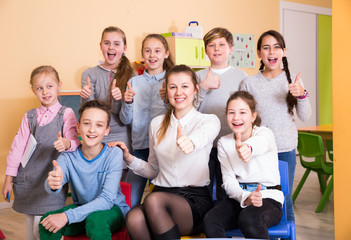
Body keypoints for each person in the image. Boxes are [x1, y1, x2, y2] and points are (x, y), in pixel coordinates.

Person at [111, 65, 220, 239]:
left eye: (185, 86)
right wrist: (129, 159)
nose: (178, 92)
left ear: (195, 89)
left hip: (192, 200)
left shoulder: (207, 121)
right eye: (172, 87)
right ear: (166, 90)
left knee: (153, 200)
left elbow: (203, 136)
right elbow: (153, 170)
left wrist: (190, 142)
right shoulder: (156, 123)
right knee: (134, 217)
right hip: (160, 195)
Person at [1, 65, 81, 240]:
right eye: (39, 88)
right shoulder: (29, 116)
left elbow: (75, 141)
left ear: (59, 85)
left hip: (51, 180)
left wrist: (66, 143)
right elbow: (17, 148)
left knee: (44, 228)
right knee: (31, 228)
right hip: (28, 179)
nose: (45, 92)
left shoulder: (66, 114)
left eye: (49, 86)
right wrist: (9, 178)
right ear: (33, 90)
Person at [240, 30, 311, 222]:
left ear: (284, 51)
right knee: (260, 200)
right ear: (259, 54)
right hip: (257, 151)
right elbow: (242, 119)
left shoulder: (293, 80)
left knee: (285, 200)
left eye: (276, 47)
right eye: (266, 47)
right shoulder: (249, 83)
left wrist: (302, 95)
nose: (272, 52)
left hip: (285, 149)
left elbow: (305, 116)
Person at [39, 100, 130, 240]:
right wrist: (52, 184)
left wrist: (67, 216)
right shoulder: (67, 156)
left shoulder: (114, 154)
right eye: (87, 123)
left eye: (99, 125)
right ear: (78, 127)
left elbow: (106, 200)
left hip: (112, 210)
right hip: (83, 208)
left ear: (106, 130)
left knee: (96, 220)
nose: (92, 130)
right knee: (47, 222)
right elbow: (54, 182)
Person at [203, 91, 284, 239]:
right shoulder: (224, 142)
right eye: (231, 112)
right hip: (240, 197)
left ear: (253, 116)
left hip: (268, 198)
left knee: (249, 218)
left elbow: (261, 143)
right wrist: (245, 197)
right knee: (211, 220)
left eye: (242, 112)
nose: (236, 118)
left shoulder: (265, 133)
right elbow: (228, 181)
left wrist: (248, 148)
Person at [119, 34, 174, 208]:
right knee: (130, 201)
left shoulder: (172, 81)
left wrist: (168, 101)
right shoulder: (133, 82)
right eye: (148, 51)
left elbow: (179, 117)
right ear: (142, 54)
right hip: (140, 148)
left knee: (159, 204)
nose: (152, 55)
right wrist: (127, 102)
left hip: (164, 150)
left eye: (157, 51)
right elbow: (125, 119)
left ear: (166, 53)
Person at [196, 27, 248, 202]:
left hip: (231, 142)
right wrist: (203, 87)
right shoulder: (197, 76)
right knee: (204, 186)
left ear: (231, 48)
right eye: (211, 45)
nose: (216, 49)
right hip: (204, 144)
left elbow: (246, 111)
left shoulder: (241, 76)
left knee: (227, 188)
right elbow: (189, 108)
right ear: (205, 50)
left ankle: (223, 223)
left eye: (221, 44)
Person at [80, 26, 135, 180]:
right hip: (97, 134)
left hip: (121, 136)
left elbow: (126, 119)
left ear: (124, 48)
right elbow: (90, 113)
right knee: (96, 181)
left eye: (117, 44)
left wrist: (120, 100)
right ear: (100, 46)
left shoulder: (132, 75)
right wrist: (85, 98)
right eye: (107, 43)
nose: (111, 47)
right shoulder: (90, 74)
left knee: (117, 184)